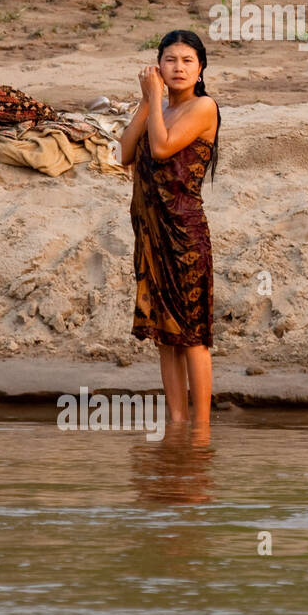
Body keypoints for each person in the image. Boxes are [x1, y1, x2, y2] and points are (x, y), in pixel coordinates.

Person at [118, 29, 220, 429]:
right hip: (152, 236)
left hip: (185, 238)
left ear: (200, 71)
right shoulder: (155, 108)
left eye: (187, 61)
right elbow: (124, 152)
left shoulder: (203, 107)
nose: (178, 68)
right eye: (170, 60)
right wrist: (147, 102)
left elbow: (161, 148)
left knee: (193, 335)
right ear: (157, 66)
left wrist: (155, 101)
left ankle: (200, 432)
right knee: (166, 335)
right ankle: (177, 425)